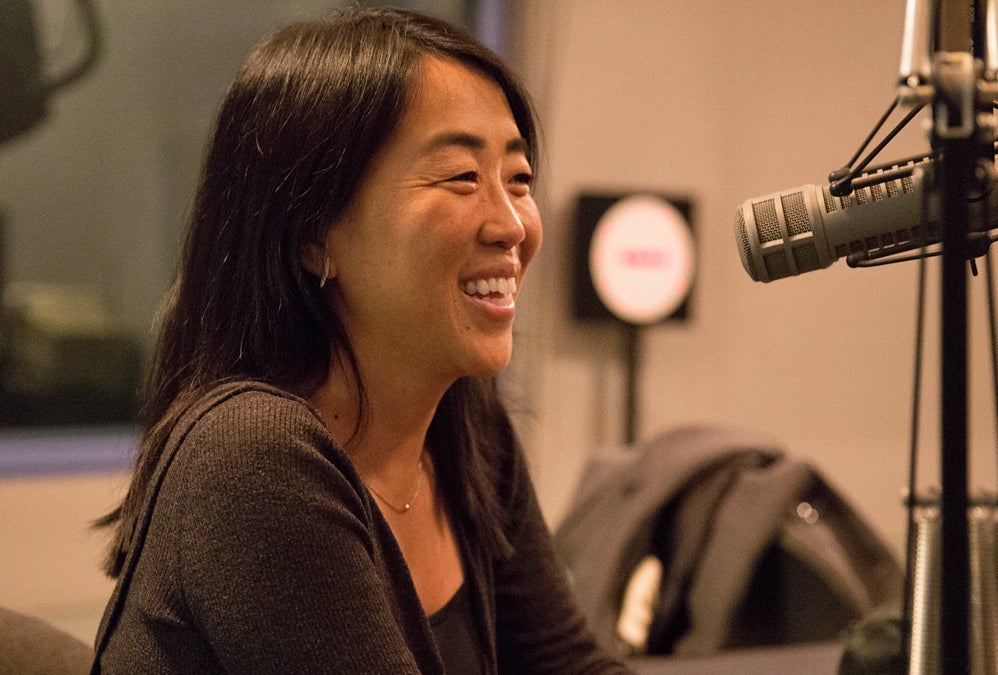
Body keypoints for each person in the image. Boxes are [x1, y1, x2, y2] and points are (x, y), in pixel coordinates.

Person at [91, 8, 629, 674]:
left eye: (518, 179)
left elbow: (569, 666)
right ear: (314, 235)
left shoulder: (466, 426)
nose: (512, 224)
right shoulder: (253, 460)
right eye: (462, 176)